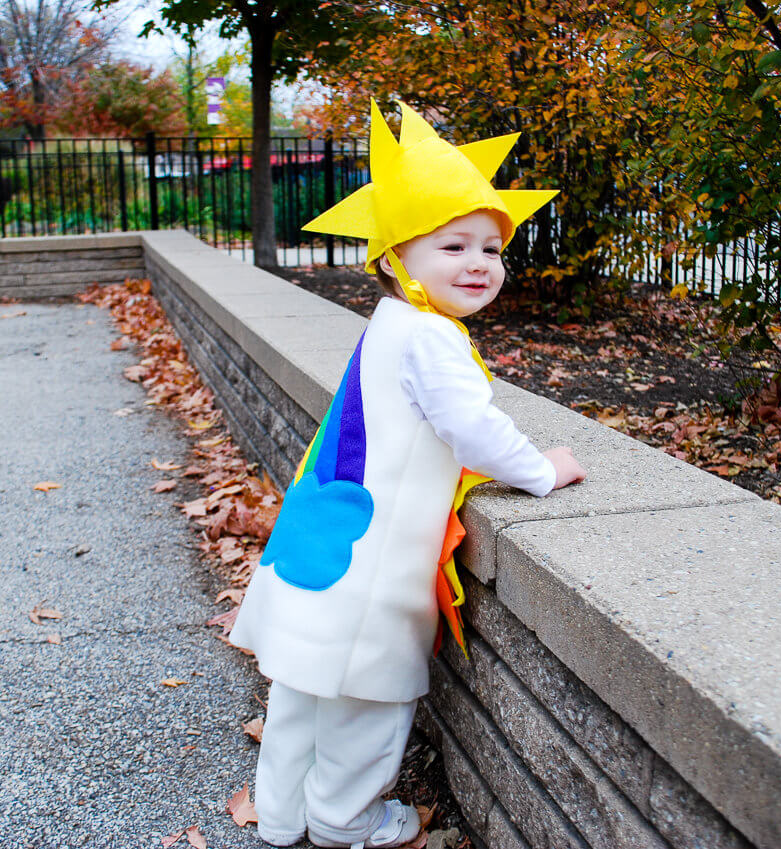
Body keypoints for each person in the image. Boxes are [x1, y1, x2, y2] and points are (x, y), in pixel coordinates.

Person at [229, 100, 587, 849]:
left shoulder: (392, 324)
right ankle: (344, 820)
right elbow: (472, 427)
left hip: (318, 545)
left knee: (299, 690)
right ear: (394, 258)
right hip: (369, 574)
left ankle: (283, 812)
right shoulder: (432, 339)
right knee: (368, 701)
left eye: (492, 247)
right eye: (454, 244)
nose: (480, 263)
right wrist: (540, 470)